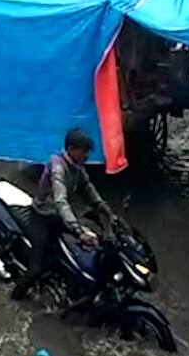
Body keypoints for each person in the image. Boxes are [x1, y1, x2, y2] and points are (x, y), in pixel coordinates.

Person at [11, 129, 116, 301]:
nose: (87, 155)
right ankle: (15, 297)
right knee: (38, 268)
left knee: (91, 245)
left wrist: (105, 209)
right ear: (72, 149)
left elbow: (88, 189)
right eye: (84, 151)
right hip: (43, 218)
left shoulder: (77, 167)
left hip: (59, 216)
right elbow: (60, 201)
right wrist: (78, 230)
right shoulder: (58, 167)